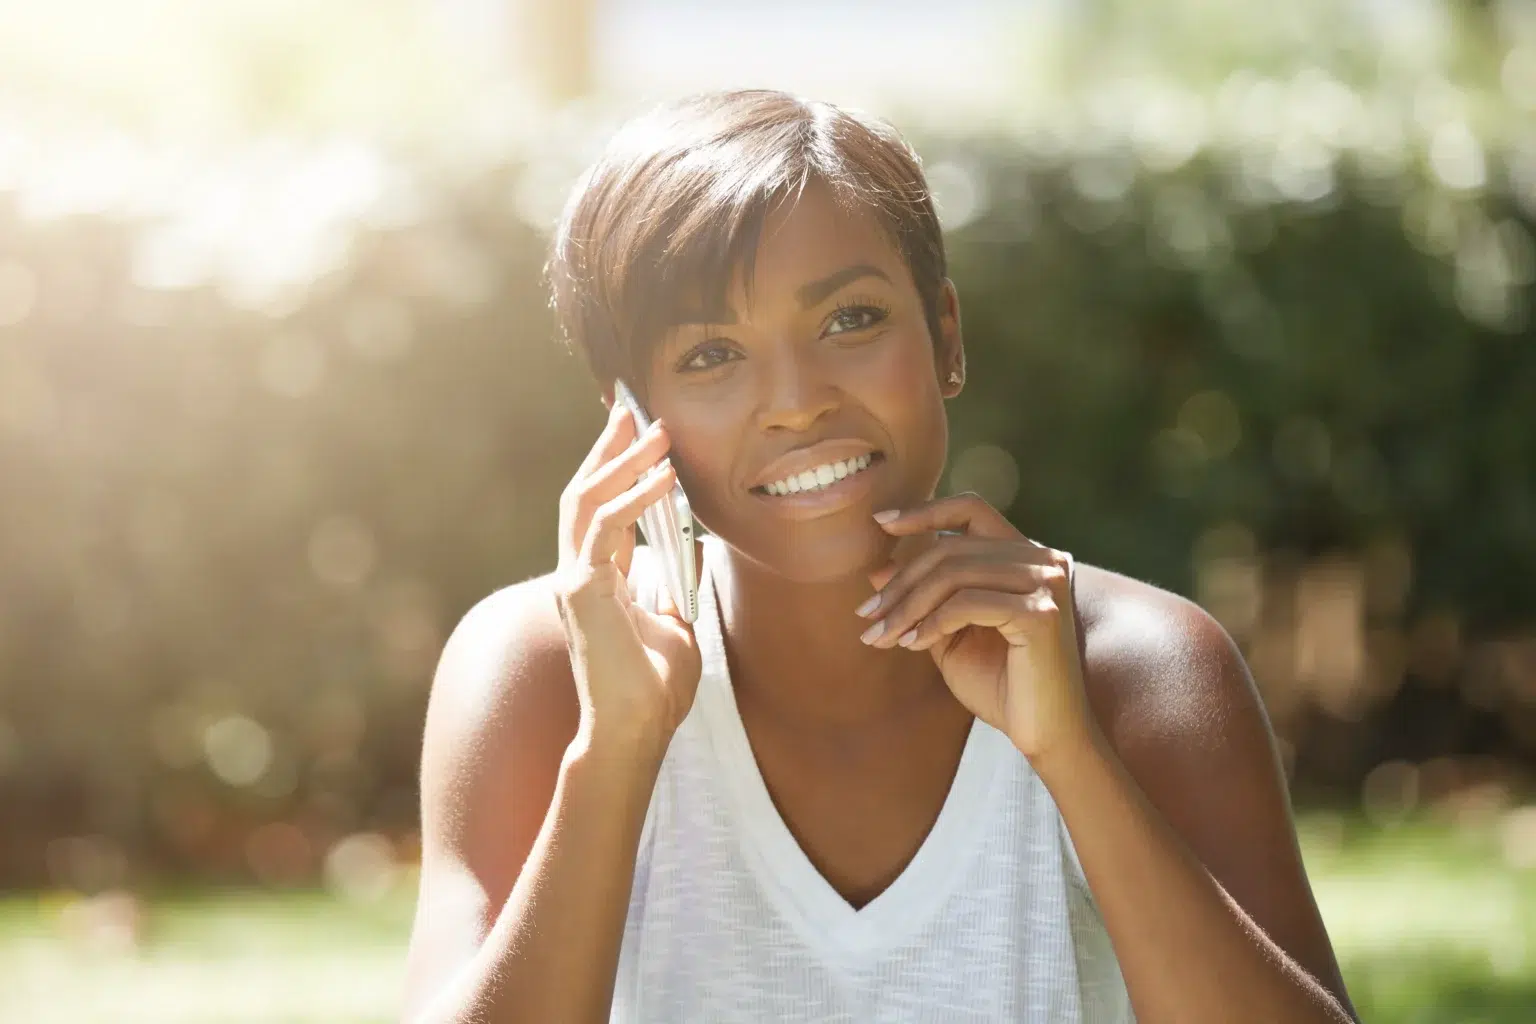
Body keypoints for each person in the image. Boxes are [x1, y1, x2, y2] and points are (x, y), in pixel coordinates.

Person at [400, 89, 1358, 1023]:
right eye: (709, 356)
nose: (796, 399)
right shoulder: (540, 673)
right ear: (629, 418)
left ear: (945, 333)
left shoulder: (1139, 668)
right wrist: (614, 752)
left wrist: (1070, 756)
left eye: (848, 320)